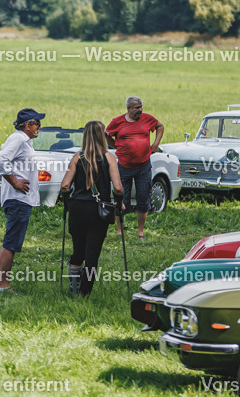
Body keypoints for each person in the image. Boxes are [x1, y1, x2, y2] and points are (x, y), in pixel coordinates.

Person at [60, 121, 124, 296]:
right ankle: (85, 292)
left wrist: (67, 202)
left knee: (78, 251)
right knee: (92, 253)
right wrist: (120, 202)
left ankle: (73, 289)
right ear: (102, 135)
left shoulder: (77, 157)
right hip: (98, 211)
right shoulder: (109, 157)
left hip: (77, 209)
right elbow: (118, 188)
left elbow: (65, 185)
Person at [0, 108, 43, 292]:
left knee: (13, 241)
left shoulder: (25, 141)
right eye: (37, 124)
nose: (40, 127)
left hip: (22, 199)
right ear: (28, 125)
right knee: (11, 242)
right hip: (17, 199)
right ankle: (2, 285)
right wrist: (14, 182)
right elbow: (1, 161)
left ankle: (3, 283)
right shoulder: (18, 139)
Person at [105, 96, 163, 240]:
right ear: (129, 108)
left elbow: (160, 126)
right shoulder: (117, 121)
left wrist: (155, 144)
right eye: (137, 107)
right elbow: (106, 134)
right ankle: (120, 231)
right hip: (124, 166)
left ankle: (140, 232)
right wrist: (116, 145)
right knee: (121, 198)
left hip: (144, 166)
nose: (140, 110)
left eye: (141, 107)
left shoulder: (147, 119)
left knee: (143, 198)